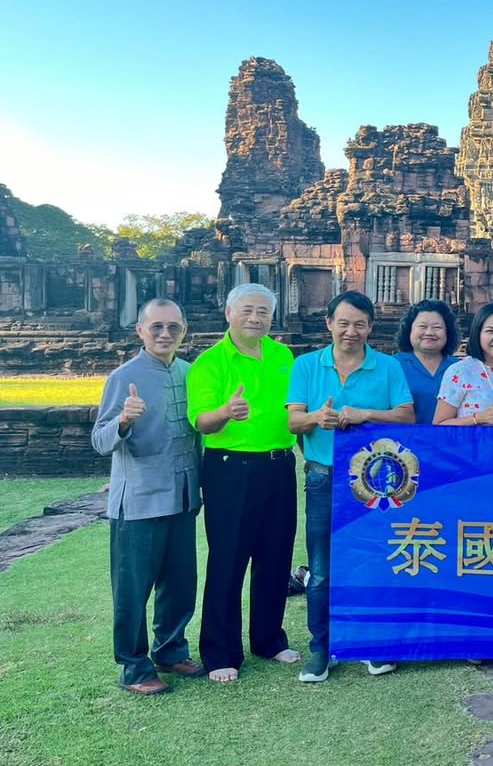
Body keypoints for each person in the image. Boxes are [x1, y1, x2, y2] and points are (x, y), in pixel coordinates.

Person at [287, 291, 415, 683]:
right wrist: (317, 417)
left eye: (359, 324)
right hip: (323, 476)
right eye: (343, 323)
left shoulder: (388, 367)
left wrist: (366, 415)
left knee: (373, 561)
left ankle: (371, 643)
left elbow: (407, 416)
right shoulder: (307, 365)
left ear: (370, 327)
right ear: (329, 323)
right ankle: (321, 648)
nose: (351, 331)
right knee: (322, 569)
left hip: (376, 481)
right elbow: (293, 422)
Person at [187, 283, 299, 683]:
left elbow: (294, 409)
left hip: (279, 465)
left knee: (276, 555)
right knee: (228, 558)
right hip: (230, 469)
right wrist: (225, 412)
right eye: (248, 310)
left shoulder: (283, 356)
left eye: (263, 312)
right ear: (229, 313)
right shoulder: (210, 363)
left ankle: (268, 638)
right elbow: (201, 421)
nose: (256, 318)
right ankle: (221, 652)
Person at [91, 298, 203, 695]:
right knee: (132, 589)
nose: (165, 334)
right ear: (140, 330)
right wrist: (124, 419)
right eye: (156, 326)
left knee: (180, 582)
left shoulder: (191, 373)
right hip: (139, 500)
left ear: (184, 330)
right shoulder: (124, 377)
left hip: (183, 496)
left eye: (173, 327)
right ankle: (134, 667)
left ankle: (170, 650)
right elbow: (99, 440)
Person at [435, 303, 493, 426]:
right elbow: (439, 425)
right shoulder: (460, 371)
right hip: (469, 439)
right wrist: (477, 418)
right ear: (478, 333)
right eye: (490, 331)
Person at [394, 300, 460, 423]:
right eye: (422, 326)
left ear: (448, 332)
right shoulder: (393, 366)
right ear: (409, 330)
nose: (429, 333)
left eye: (437, 327)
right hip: (405, 435)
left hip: (449, 435)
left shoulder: (460, 368)